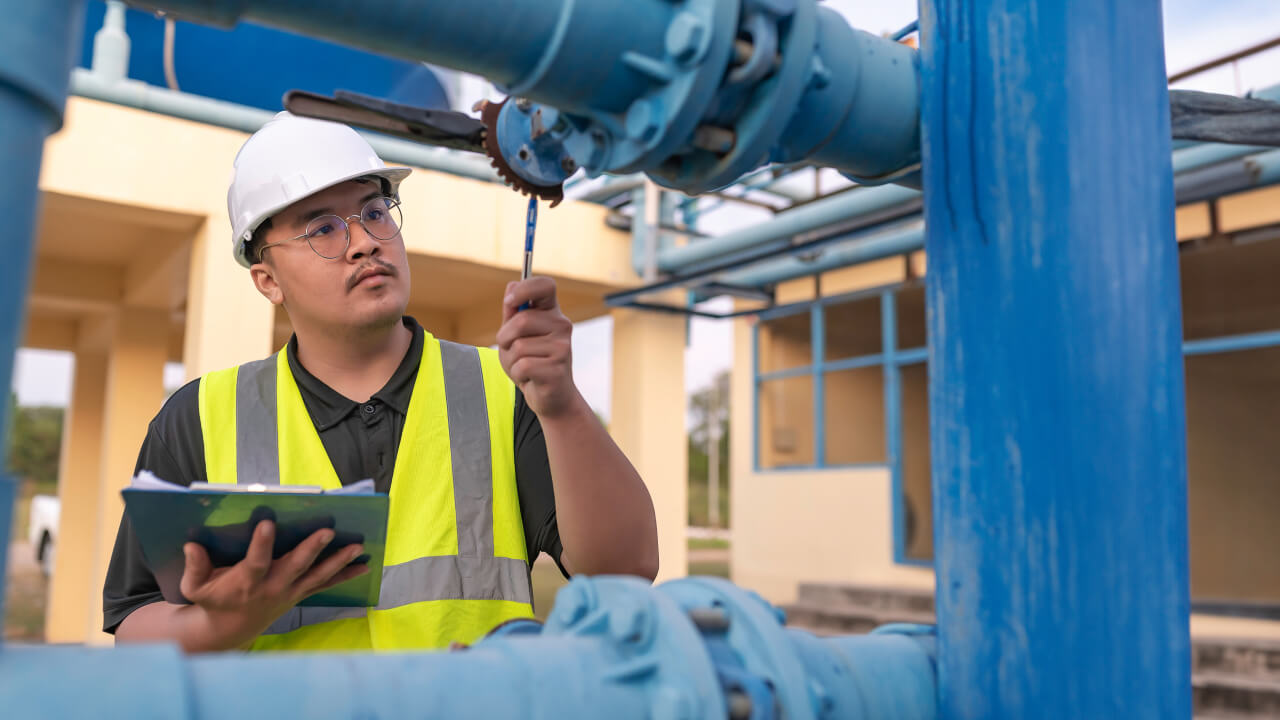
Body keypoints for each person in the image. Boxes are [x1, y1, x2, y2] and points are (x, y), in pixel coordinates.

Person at [102, 112, 659, 653]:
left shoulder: (507, 388)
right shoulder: (198, 417)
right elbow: (133, 619)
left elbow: (625, 570)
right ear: (267, 280)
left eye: (374, 212)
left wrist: (561, 408)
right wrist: (222, 626)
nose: (365, 241)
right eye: (323, 228)